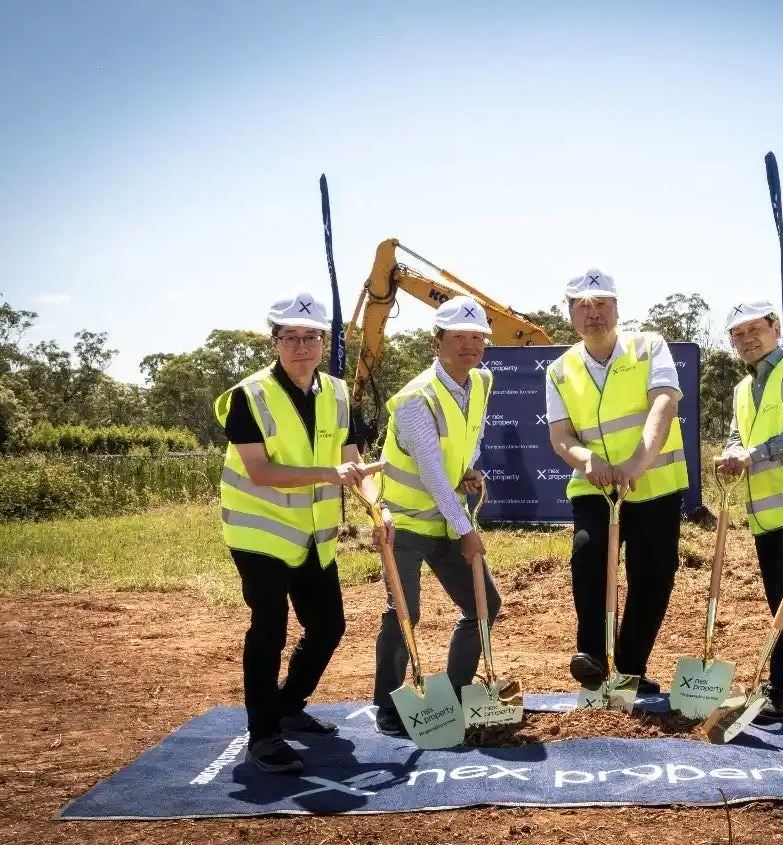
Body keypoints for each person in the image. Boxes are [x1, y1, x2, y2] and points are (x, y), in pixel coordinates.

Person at [215, 290, 391, 775]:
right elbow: (259, 471)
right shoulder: (248, 397)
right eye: (289, 337)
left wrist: (380, 509)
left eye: (310, 336)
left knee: (329, 626)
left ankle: (288, 707)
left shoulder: (337, 394)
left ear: (323, 342)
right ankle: (263, 734)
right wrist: (328, 474)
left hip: (313, 535)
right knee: (269, 625)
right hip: (260, 534)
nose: (300, 346)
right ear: (273, 342)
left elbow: (355, 463)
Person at [372, 295, 519, 736]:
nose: (470, 345)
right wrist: (467, 530)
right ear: (436, 342)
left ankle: (455, 696)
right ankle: (387, 706)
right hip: (406, 524)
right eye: (459, 337)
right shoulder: (415, 399)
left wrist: (468, 468)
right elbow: (433, 473)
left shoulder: (482, 382)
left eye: (477, 337)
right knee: (404, 613)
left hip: (444, 516)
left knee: (484, 605)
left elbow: (468, 438)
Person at [545, 268, 689, 695]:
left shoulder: (650, 347)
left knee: (653, 575)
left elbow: (663, 403)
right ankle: (590, 657)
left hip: (654, 486)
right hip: (594, 487)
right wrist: (586, 459)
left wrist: (636, 464)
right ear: (570, 314)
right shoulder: (560, 369)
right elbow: (560, 435)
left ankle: (629, 668)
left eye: (602, 305)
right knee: (589, 558)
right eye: (583, 307)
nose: (593, 315)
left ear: (617, 308)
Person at [714, 299, 783, 723]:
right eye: (737, 335)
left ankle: (779, 691)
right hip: (763, 512)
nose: (746, 339)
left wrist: (753, 454)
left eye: (753, 329)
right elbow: (735, 435)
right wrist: (730, 454)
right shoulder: (742, 389)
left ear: (775, 328)